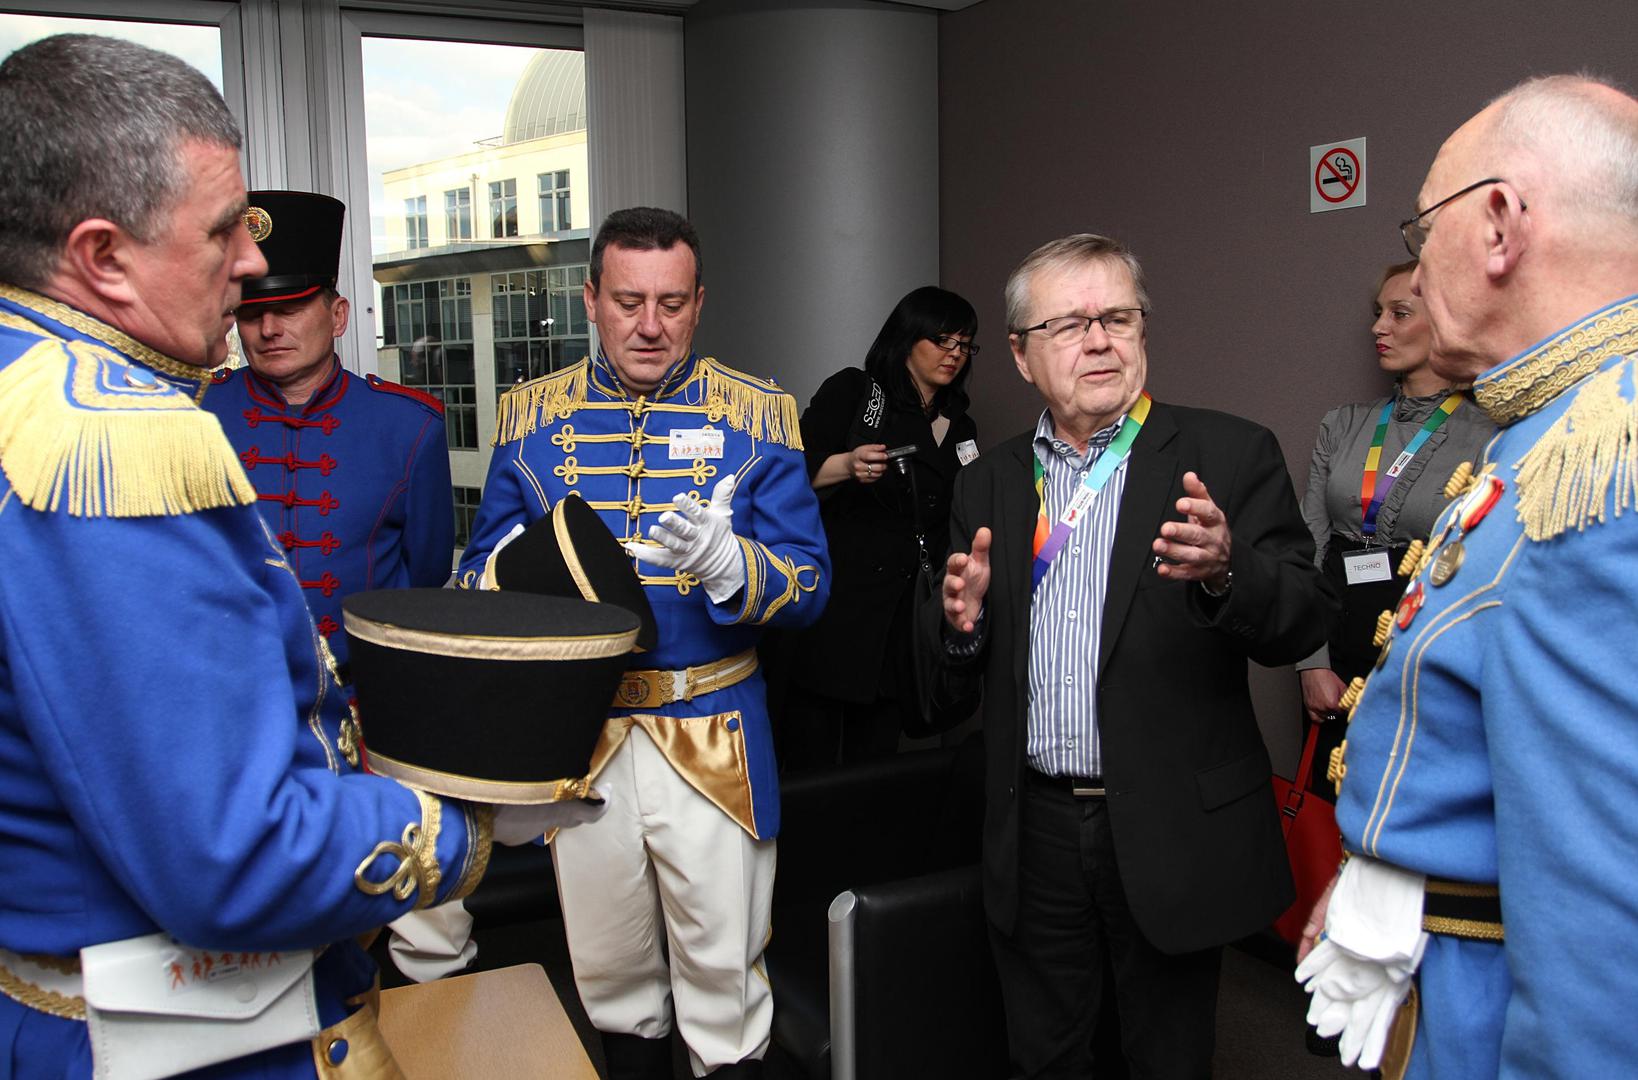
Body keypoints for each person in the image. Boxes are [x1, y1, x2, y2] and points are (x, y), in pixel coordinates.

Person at [0, 35, 578, 1077]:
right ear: (101, 256)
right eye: (222, 229)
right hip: (172, 1033)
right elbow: (233, 852)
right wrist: (472, 825)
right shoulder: (110, 443)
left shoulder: (27, 387)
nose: (250, 263)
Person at [918, 232, 1334, 1078]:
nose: (1100, 340)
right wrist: (959, 626)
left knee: (1166, 1056)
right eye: (1070, 325)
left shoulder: (1227, 454)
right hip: (1033, 826)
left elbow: (1302, 618)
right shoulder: (988, 481)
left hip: (1170, 823)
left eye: (1118, 317)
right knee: (1045, 1053)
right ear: (1021, 355)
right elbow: (946, 675)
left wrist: (1229, 572)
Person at [1296, 75, 1638, 1078]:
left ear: (1498, 224)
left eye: (1423, 223)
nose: (1416, 255)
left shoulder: (1600, 466)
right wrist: (1387, 862)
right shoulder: (1549, 428)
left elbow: (1602, 924)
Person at [456, 207, 830, 1078]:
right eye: (628, 302)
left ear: (699, 303)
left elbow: (811, 587)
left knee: (724, 997)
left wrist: (734, 565)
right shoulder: (530, 417)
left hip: (712, 738)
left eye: (671, 303)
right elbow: (476, 579)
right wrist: (517, 572)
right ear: (591, 299)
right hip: (583, 743)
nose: (650, 326)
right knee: (612, 984)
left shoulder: (759, 415)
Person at [204, 190, 455, 671]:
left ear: (338, 316)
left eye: (291, 309)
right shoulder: (195, 414)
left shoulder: (409, 426)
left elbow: (425, 573)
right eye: (252, 314)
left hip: (362, 695)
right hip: (231, 686)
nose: (269, 329)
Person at [779, 285, 980, 769]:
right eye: (942, 340)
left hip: (903, 617)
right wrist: (846, 465)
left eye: (964, 344)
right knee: (809, 763)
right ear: (907, 338)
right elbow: (786, 474)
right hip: (836, 609)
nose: (954, 354)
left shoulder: (960, 424)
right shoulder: (857, 393)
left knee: (876, 762)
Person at [1296, 259, 1494, 731]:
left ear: (1446, 320)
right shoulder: (1342, 424)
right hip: (1334, 647)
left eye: (1399, 313)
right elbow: (1306, 548)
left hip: (1431, 658)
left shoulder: (1490, 436)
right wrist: (1310, 664)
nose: (1378, 327)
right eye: (1379, 312)